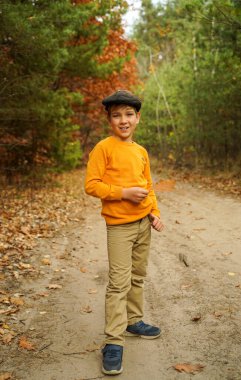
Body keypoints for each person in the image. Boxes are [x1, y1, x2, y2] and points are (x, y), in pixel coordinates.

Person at [85, 89, 164, 375]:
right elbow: (92, 185)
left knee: (138, 276)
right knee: (119, 283)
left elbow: (149, 185)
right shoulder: (103, 148)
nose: (123, 120)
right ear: (109, 119)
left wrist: (154, 211)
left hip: (144, 224)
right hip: (119, 226)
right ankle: (113, 342)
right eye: (117, 115)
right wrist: (123, 193)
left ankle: (134, 321)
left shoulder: (141, 151)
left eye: (129, 114)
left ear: (138, 118)